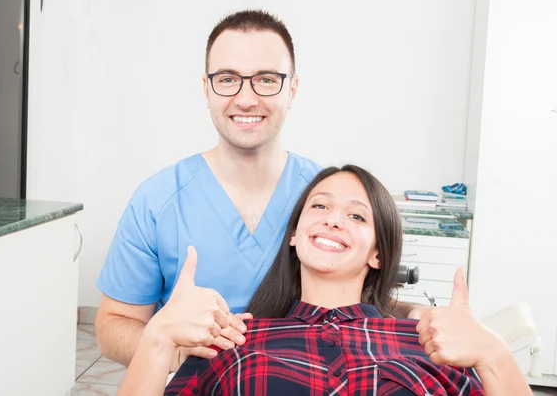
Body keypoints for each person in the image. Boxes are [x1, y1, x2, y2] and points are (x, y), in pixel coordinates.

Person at [95, 9, 422, 371]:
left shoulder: (326, 201)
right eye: (227, 78)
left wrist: (420, 315)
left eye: (266, 80)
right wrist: (175, 344)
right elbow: (112, 326)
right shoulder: (156, 201)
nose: (246, 98)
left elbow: (367, 299)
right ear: (206, 89)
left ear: (292, 89)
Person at [117, 164, 532, 395]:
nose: (334, 219)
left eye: (356, 215)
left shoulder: (430, 348)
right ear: (295, 235)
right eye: (320, 206)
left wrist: (494, 354)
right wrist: (157, 339)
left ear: (378, 253)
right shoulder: (233, 342)